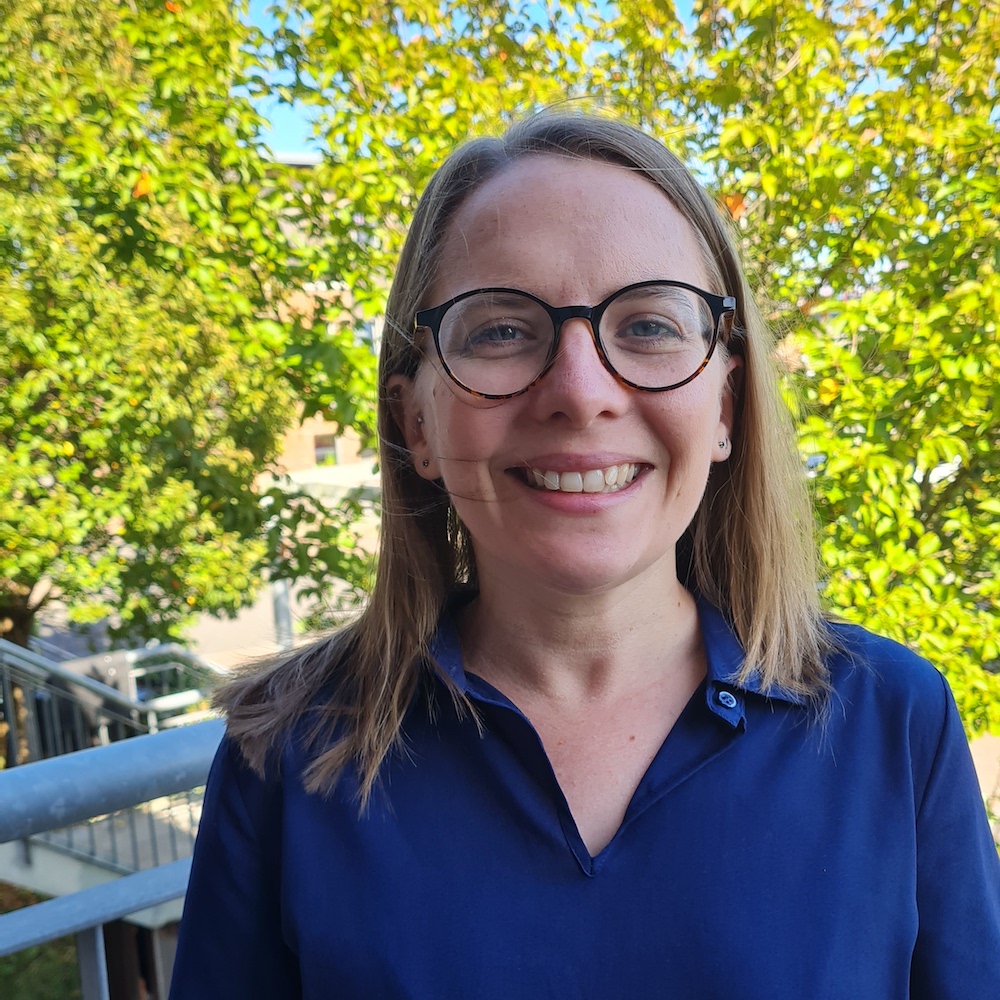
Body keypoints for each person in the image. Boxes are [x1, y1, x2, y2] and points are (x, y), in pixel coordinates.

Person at [169, 113, 1000, 998]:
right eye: (500, 330)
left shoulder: (893, 723)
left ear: (726, 407)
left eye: (647, 325)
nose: (580, 391)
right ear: (417, 421)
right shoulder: (291, 754)